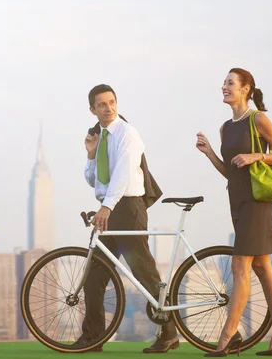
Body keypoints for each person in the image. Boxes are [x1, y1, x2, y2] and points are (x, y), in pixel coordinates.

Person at [195, 68, 272, 357]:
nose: (223, 86)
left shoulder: (258, 119)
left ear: (245, 89)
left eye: (230, 83)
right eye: (224, 83)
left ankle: (228, 336)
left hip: (256, 202)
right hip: (237, 202)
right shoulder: (226, 128)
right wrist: (210, 153)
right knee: (262, 266)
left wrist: (257, 155)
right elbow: (230, 172)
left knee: (240, 268)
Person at [78, 84, 179, 354]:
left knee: (144, 273)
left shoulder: (127, 133)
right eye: (102, 104)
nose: (108, 108)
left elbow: (122, 174)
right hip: (109, 206)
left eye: (112, 102)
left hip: (127, 208)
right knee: (94, 276)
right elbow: (93, 181)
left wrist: (107, 208)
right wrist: (90, 154)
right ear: (92, 109)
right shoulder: (99, 136)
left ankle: (169, 333)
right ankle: (92, 338)